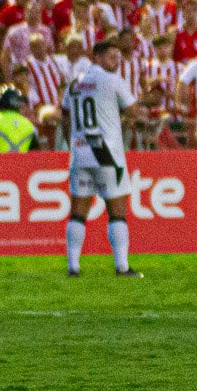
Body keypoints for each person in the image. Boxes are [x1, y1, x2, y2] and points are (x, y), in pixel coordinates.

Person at [61, 39, 145, 280]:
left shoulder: (75, 83)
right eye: (111, 57)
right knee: (117, 211)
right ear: (96, 57)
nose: (116, 62)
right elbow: (133, 110)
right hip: (105, 151)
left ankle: (73, 266)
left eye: (118, 57)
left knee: (78, 210)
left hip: (80, 150)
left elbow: (65, 115)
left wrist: (70, 143)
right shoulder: (111, 80)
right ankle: (122, 267)